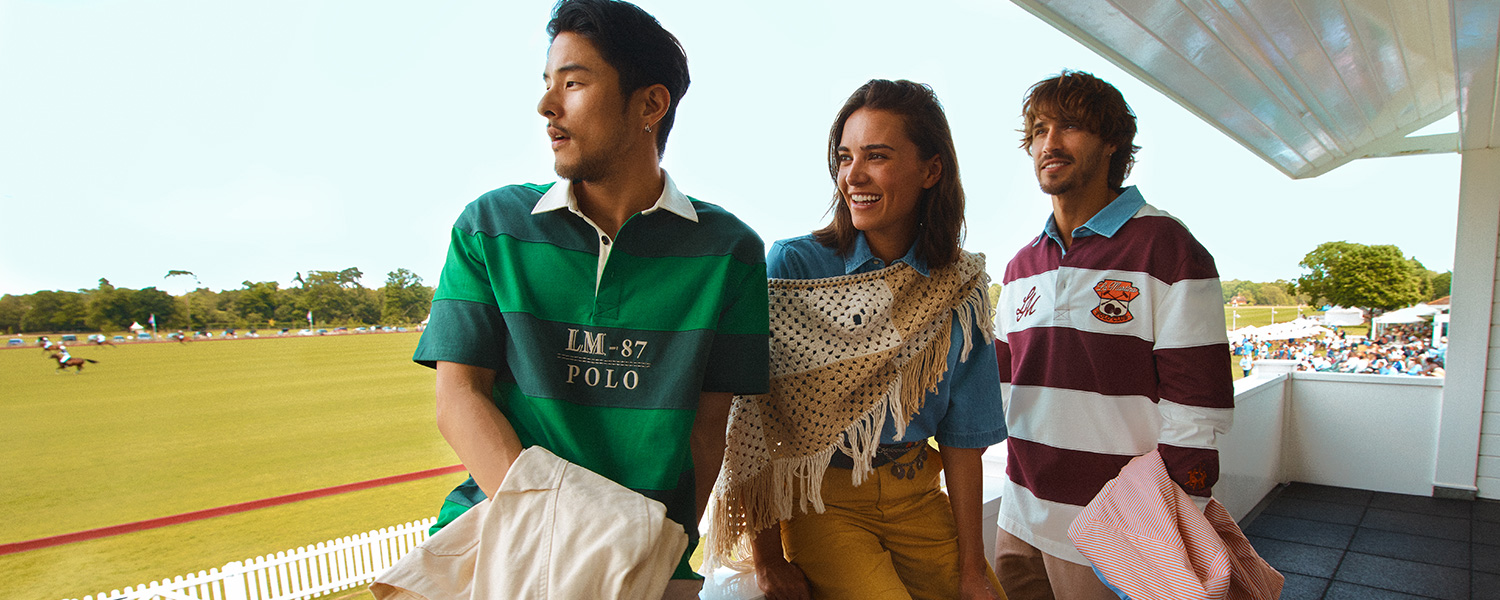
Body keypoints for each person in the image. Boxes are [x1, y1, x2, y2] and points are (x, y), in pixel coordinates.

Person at [409, 1, 770, 597]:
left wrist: (653, 544)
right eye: (547, 84)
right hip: (495, 538)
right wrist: (573, 534)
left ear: (651, 104)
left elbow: (709, 430)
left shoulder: (729, 251)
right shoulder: (491, 226)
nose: (547, 105)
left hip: (642, 557)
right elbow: (458, 399)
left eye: (573, 82)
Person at [705, 79, 1006, 600]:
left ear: (931, 170)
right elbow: (755, 424)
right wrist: (768, 560)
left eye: (877, 156)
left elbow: (963, 441)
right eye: (844, 158)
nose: (853, 176)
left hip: (917, 491)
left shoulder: (959, 287)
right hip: (824, 502)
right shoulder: (796, 266)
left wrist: (973, 573)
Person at [994, 70, 1234, 599]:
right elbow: (1005, 389)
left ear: (1112, 143)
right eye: (1037, 130)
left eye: (1070, 126)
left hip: (1114, 527)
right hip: (1019, 513)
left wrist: (1170, 526)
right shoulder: (1019, 267)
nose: (1049, 143)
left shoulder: (1166, 247)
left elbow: (1198, 406)